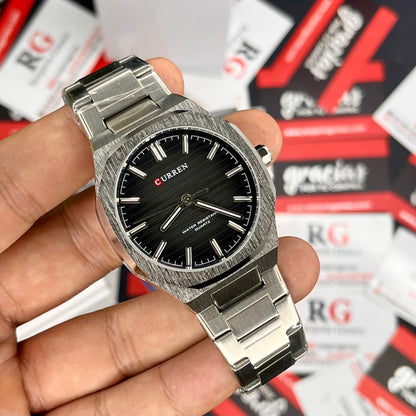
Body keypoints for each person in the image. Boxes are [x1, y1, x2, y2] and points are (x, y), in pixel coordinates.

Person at [0, 58, 319, 415]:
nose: (185, 200)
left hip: (248, 247)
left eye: (187, 198)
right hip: (203, 265)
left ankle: (275, 343)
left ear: (255, 161)